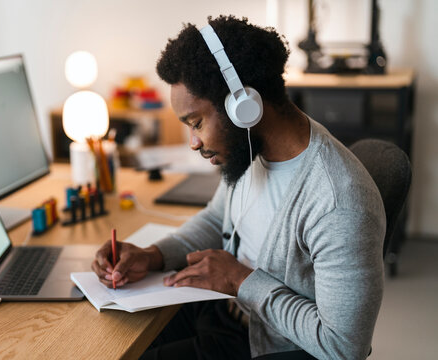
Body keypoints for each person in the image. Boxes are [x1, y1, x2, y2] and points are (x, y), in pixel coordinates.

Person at [92, 15, 385, 360]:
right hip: (221, 307)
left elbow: (343, 346)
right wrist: (152, 255)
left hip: (263, 344)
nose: (193, 142)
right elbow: (218, 219)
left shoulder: (338, 202)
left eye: (196, 122)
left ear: (243, 105)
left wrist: (241, 281)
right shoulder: (250, 151)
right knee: (109, 341)